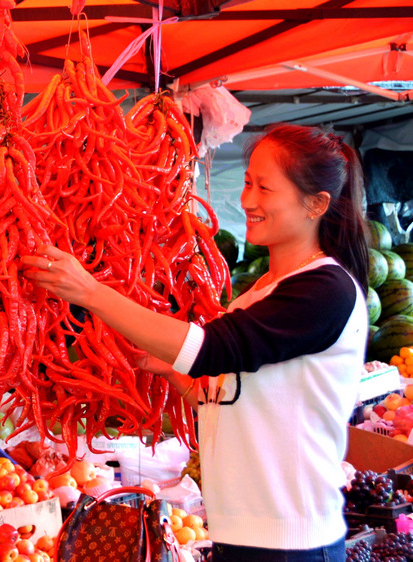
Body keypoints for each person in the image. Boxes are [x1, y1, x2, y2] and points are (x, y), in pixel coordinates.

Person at [22, 123, 369, 561]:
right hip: (243, 534)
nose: (247, 200)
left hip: (291, 542)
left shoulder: (326, 290)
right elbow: (229, 394)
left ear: (315, 204)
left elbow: (212, 349)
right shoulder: (263, 290)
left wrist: (88, 291)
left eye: (264, 188)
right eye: (246, 183)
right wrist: (168, 370)